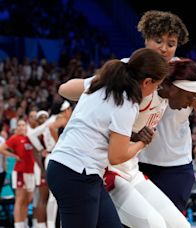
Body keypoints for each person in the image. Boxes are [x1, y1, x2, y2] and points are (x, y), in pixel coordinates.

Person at [59, 59, 196, 228]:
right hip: (107, 169)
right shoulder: (136, 87)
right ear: (176, 88)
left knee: (181, 226)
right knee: (154, 224)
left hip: (131, 170)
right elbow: (65, 89)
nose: (191, 104)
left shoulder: (163, 95)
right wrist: (97, 83)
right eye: (191, 97)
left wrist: (133, 136)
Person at [46, 48, 169, 228]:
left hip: (72, 169)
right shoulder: (127, 103)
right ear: (147, 82)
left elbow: (64, 89)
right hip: (77, 173)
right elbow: (116, 157)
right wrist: (143, 142)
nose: (154, 91)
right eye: (156, 86)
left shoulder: (102, 82)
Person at [136, 10, 196, 212]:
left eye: (171, 43)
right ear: (146, 39)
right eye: (158, 40)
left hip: (174, 166)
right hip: (134, 162)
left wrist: (191, 90)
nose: (164, 48)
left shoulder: (186, 71)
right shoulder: (131, 67)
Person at [0, 119, 35, 228]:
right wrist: (14, 156)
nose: (21, 127)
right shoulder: (15, 138)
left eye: (23, 125)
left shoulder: (30, 137)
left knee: (28, 199)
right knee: (19, 199)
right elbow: (1, 148)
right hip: (20, 171)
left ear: (26, 126)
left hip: (31, 172)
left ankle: (23, 221)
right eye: (19, 125)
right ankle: (18, 224)